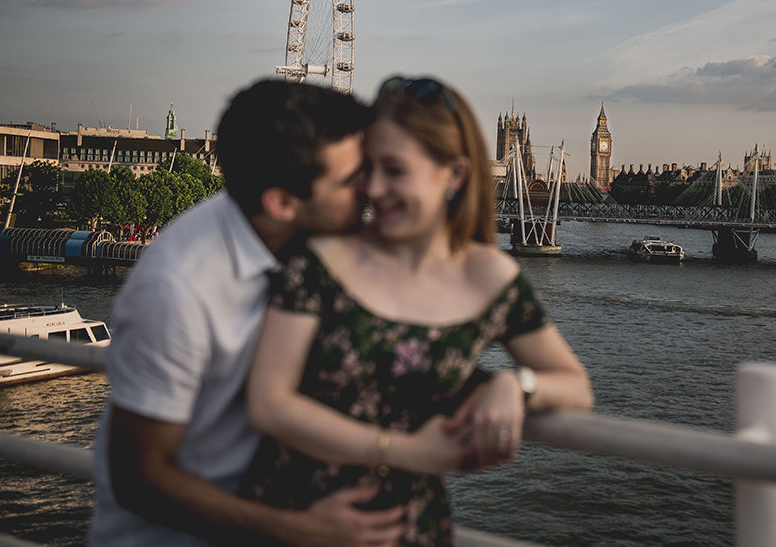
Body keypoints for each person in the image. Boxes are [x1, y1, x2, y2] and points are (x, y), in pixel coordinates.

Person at [240, 76, 594, 544]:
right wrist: (405, 451)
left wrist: (516, 383)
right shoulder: (319, 261)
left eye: (395, 170)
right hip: (297, 524)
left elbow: (575, 386)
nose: (373, 187)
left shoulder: (490, 277)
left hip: (414, 532)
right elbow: (267, 403)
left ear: (455, 175)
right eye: (368, 168)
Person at [90, 79, 408, 546]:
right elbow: (139, 477)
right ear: (281, 202)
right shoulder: (176, 291)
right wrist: (299, 530)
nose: (372, 189)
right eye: (350, 180)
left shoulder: (300, 234)